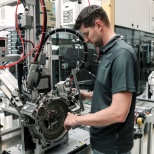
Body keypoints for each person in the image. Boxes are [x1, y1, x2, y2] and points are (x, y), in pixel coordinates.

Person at [64, 5, 138, 154]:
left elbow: (119, 112)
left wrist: (77, 120)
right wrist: (88, 95)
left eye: (86, 33)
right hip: (101, 142)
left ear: (98, 25)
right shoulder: (106, 52)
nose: (85, 40)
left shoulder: (121, 55)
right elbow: (111, 92)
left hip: (112, 147)